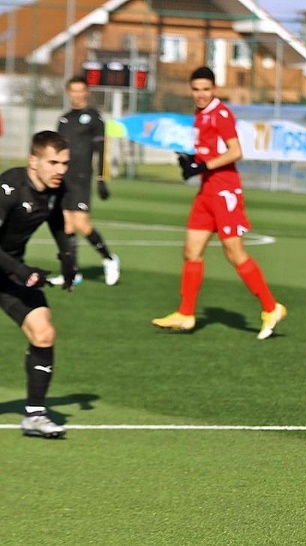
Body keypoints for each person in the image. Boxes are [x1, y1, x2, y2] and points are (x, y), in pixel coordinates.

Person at [152, 66, 286, 340]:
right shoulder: (199, 115)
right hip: (207, 193)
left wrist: (202, 166)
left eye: (205, 89)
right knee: (191, 250)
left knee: (234, 253)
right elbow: (206, 152)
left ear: (214, 89)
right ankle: (186, 314)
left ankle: (271, 308)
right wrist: (191, 161)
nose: (200, 94)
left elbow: (236, 151)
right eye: (196, 89)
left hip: (225, 192)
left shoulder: (221, 113)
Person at [0, 131, 81, 439]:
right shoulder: (9, 187)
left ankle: (34, 415)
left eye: (65, 163)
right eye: (53, 162)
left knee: (44, 333)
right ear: (33, 161)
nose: (60, 169)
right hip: (11, 268)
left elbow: (57, 221)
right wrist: (22, 271)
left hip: (7, 273)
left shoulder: (55, 188)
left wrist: (67, 259)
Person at [53, 76, 120, 287]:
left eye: (80, 90)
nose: (76, 94)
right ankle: (71, 272)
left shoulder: (94, 118)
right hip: (63, 179)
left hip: (82, 178)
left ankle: (109, 259)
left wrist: (101, 179)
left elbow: (102, 150)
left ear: (87, 92)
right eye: (72, 90)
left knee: (82, 224)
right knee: (67, 225)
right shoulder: (64, 120)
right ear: (68, 93)